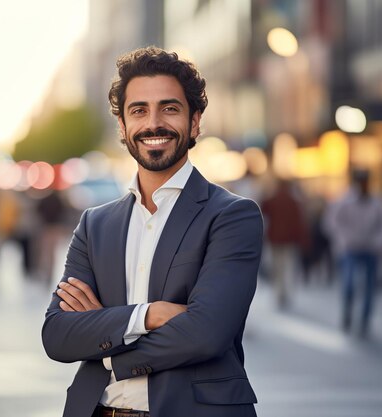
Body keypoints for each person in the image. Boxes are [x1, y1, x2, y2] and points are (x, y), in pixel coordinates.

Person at [42, 47, 263, 417]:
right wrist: (150, 315)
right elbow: (58, 335)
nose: (153, 123)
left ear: (194, 123)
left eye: (170, 108)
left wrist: (109, 347)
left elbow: (207, 333)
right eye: (139, 110)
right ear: (123, 127)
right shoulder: (95, 225)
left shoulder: (232, 216)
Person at [324, 169, 382, 337]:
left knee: (370, 287)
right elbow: (331, 222)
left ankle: (365, 320)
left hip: (371, 249)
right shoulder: (345, 200)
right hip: (350, 248)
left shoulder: (377, 202)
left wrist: (381, 242)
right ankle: (347, 312)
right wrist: (343, 240)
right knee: (349, 283)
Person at [260, 179, 309, 308]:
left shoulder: (273, 199)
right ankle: (285, 292)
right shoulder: (294, 202)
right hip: (289, 240)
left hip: (276, 239)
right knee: (288, 267)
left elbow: (262, 209)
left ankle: (280, 293)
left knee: (278, 268)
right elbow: (299, 223)